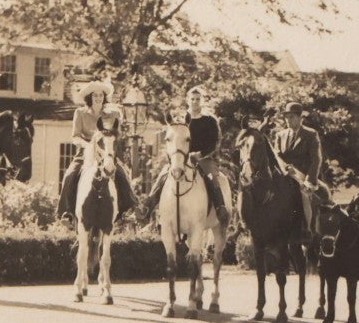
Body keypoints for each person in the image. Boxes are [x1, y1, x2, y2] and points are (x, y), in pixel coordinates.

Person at [143, 85, 230, 228]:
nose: (195, 102)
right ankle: (147, 208)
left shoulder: (210, 120)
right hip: (182, 158)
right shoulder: (181, 120)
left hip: (204, 158)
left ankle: (220, 208)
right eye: (192, 99)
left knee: (212, 177)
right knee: (163, 175)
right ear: (188, 100)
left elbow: (214, 142)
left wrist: (200, 154)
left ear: (202, 100)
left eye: (198, 99)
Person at [58, 80, 137, 222]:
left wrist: (119, 114)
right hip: (85, 154)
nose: (98, 98)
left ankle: (128, 210)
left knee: (122, 174)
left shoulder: (111, 114)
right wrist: (89, 145)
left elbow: (116, 134)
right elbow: (75, 137)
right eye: (95, 95)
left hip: (106, 153)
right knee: (70, 175)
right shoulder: (80, 113)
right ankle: (66, 213)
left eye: (101, 95)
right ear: (90, 97)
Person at [271, 102, 325, 232]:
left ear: (300, 118)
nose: (288, 120)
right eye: (286, 117)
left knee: (304, 195)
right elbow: (277, 157)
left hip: (303, 176)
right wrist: (285, 168)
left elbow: (316, 159)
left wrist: (309, 180)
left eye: (292, 117)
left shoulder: (311, 134)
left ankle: (308, 228)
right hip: (285, 175)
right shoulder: (280, 135)